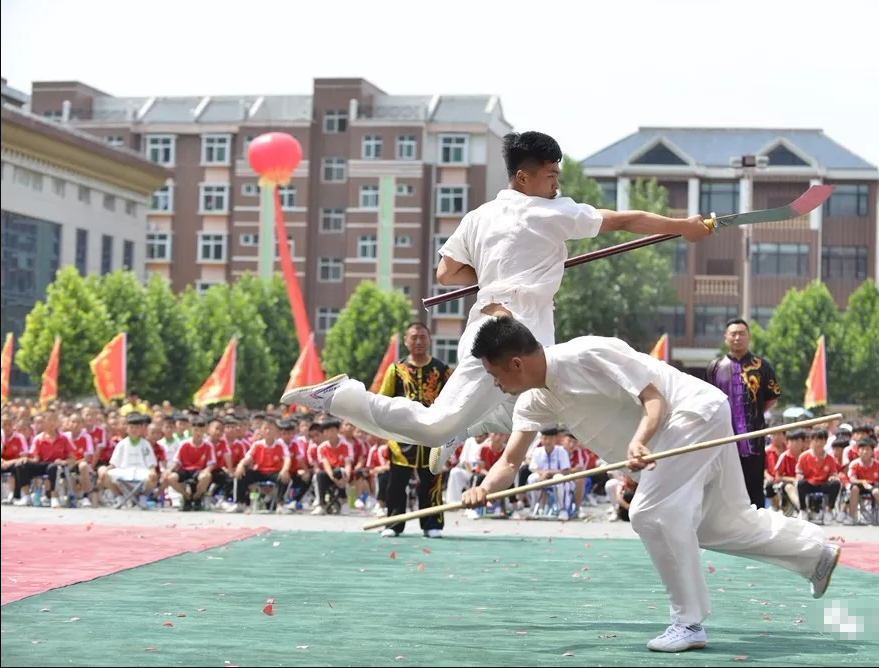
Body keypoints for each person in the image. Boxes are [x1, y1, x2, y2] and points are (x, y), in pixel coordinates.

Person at [281, 130, 714, 473]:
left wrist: (492, 275)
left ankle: (462, 428)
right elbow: (626, 219)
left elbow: (446, 273)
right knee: (435, 426)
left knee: (532, 408)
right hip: (503, 328)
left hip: (516, 323)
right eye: (550, 177)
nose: (556, 185)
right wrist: (682, 226)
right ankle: (341, 396)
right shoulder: (552, 212)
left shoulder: (479, 216)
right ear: (523, 178)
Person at [460, 316, 840, 653]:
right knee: (722, 523)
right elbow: (510, 462)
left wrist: (640, 440)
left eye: (495, 375)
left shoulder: (588, 353)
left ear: (515, 363)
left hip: (693, 413)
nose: (496, 384)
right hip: (677, 436)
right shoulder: (532, 403)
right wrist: (483, 489)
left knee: (647, 512)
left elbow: (653, 399)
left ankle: (688, 622)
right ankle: (814, 554)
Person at [376, 322, 453, 538]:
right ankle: (393, 524)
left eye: (422, 337)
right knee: (396, 484)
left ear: (429, 340)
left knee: (431, 482)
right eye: (413, 337)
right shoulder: (396, 369)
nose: (418, 341)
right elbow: (382, 400)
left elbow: (453, 398)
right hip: (402, 437)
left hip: (431, 435)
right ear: (406, 341)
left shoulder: (441, 369)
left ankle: (432, 524)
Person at [705, 318, 780, 509]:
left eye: (742, 333)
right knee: (723, 487)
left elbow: (771, 397)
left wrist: (754, 414)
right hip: (723, 439)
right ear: (726, 338)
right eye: (733, 334)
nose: (737, 337)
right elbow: (707, 400)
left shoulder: (762, 366)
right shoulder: (715, 367)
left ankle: (755, 531)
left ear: (749, 337)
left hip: (753, 439)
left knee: (753, 488)